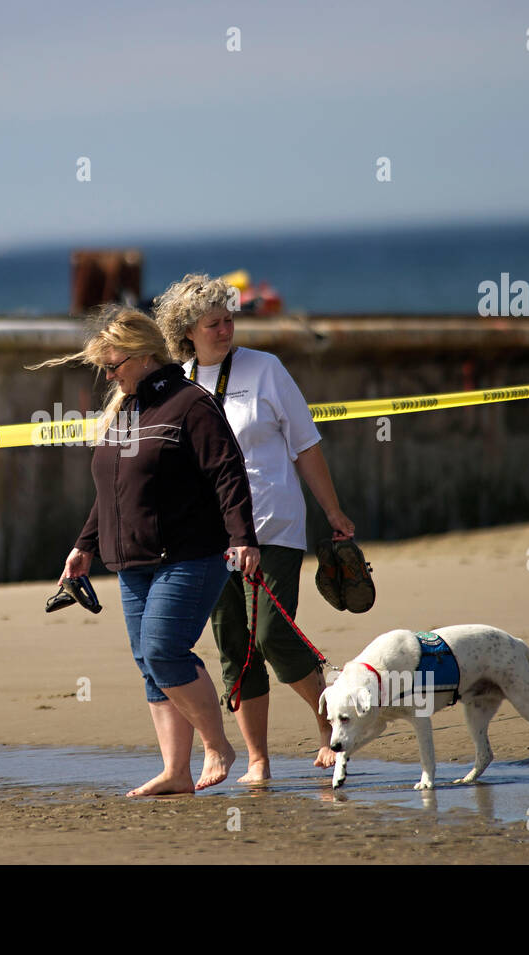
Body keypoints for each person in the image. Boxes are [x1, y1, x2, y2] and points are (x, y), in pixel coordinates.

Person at [37, 308, 260, 796]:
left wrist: (243, 538)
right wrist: (84, 546)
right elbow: (111, 491)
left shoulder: (191, 404)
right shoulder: (126, 408)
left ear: (142, 356)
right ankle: (176, 771)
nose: (109, 375)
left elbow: (228, 471)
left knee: (163, 650)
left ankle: (217, 744)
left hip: (191, 553)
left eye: (113, 365)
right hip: (131, 559)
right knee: (148, 661)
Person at [154, 274, 356, 782]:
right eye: (213, 323)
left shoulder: (267, 369)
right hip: (209, 537)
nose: (225, 330)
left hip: (274, 525)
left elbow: (305, 444)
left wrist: (331, 511)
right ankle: (259, 761)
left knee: (272, 635)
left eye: (229, 320)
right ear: (188, 331)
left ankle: (329, 723)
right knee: (233, 646)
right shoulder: (176, 382)